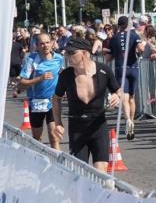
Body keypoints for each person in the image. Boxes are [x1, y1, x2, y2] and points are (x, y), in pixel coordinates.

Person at [51, 37, 122, 172]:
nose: (67, 56)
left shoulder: (104, 70)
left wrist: (117, 96)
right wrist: (58, 123)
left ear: (84, 53)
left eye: (71, 53)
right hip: (77, 128)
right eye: (66, 53)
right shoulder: (66, 75)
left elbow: (119, 91)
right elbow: (56, 99)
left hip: (98, 126)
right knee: (79, 171)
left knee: (101, 171)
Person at [17, 33, 65, 149]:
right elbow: (21, 83)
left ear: (52, 43)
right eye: (42, 43)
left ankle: (57, 160)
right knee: (37, 139)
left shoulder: (58, 58)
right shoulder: (31, 60)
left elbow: (62, 76)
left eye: (47, 42)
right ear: (37, 46)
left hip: (53, 101)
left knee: (54, 137)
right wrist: (40, 78)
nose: (45, 46)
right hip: (37, 102)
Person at [105, 15, 145, 140]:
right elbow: (141, 48)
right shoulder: (134, 35)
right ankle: (131, 121)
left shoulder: (114, 38)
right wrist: (139, 52)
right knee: (132, 97)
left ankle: (127, 119)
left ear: (119, 25)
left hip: (120, 69)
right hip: (133, 68)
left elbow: (108, 58)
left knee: (124, 97)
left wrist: (106, 52)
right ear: (128, 25)